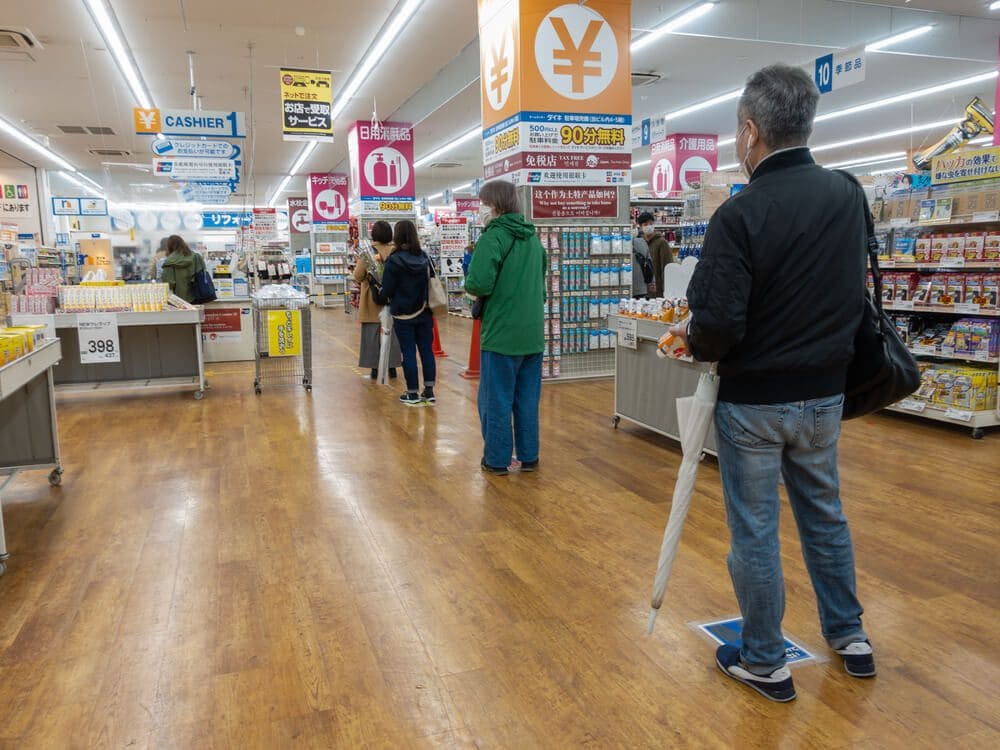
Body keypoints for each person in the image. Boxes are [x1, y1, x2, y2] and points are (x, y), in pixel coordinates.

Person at [668, 63, 873, 702]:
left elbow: (721, 319)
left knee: (754, 529)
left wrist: (693, 341)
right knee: (825, 514)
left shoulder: (741, 213)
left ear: (751, 132)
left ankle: (764, 660)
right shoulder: (848, 194)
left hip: (755, 401)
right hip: (827, 393)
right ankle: (851, 636)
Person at [465, 180, 546, 476]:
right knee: (526, 399)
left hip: (502, 333)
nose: (481, 209)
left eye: (483, 203)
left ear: (495, 205)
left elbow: (478, 283)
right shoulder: (533, 239)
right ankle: (529, 456)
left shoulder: (493, 238)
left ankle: (497, 460)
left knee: (496, 399)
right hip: (533, 333)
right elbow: (541, 285)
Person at [371, 220, 436, 406]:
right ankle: (429, 390)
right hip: (424, 311)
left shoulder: (394, 260)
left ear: (397, 236)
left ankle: (412, 393)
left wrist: (377, 290)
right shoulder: (425, 257)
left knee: (408, 352)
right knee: (426, 351)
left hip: (403, 314)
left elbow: (388, 291)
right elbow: (432, 283)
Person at [353, 220, 400, 380]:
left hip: (372, 302)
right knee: (392, 333)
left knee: (372, 334)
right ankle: (392, 366)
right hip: (394, 300)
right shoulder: (396, 251)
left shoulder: (367, 252)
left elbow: (358, 276)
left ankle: (375, 368)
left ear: (374, 234)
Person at [161, 235, 206, 303]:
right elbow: (204, 273)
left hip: (179, 299)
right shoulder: (196, 256)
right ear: (183, 243)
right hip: (197, 294)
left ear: (169, 246)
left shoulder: (169, 261)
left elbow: (168, 283)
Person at [637, 212, 672, 296]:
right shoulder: (639, 243)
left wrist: (666, 289)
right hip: (642, 291)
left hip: (658, 290)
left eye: (651, 224)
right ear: (641, 227)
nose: (648, 226)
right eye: (645, 224)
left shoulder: (661, 243)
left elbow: (667, 267)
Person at [631, 219, 652, 298]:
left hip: (637, 286)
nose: (634, 228)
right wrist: (652, 283)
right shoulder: (642, 242)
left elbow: (649, 262)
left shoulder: (641, 242)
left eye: (634, 226)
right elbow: (650, 263)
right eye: (632, 226)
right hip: (641, 288)